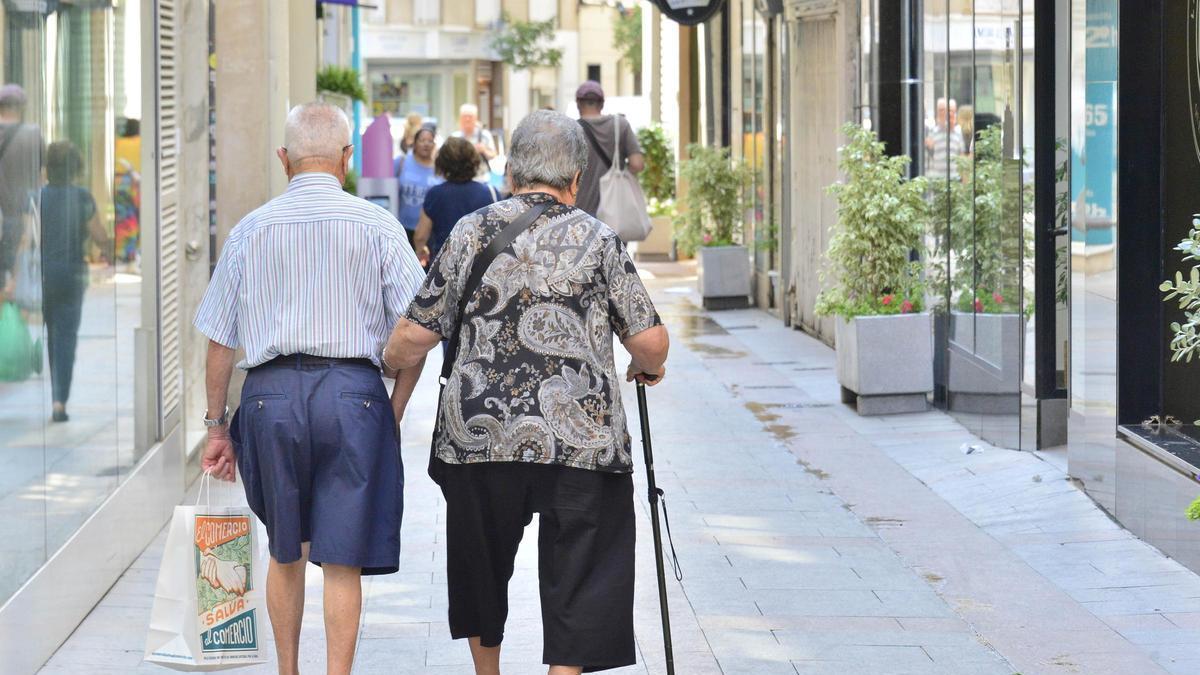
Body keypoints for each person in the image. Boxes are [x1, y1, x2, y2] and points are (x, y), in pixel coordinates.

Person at [383, 109, 670, 675]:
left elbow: (413, 336)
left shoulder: (471, 232)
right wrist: (646, 368)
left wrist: (392, 363)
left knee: (481, 566)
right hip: (581, 439)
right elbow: (651, 342)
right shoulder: (599, 238)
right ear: (575, 178)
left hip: (480, 438)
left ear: (512, 173)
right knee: (584, 568)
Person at [193, 101, 425, 675]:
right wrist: (390, 412)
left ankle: (288, 672)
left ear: (284, 160)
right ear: (347, 158)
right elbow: (418, 330)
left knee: (285, 550)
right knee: (341, 562)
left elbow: (220, 342)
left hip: (270, 398)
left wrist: (216, 425)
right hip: (355, 396)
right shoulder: (376, 226)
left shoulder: (251, 230)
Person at [40, 141, 111, 423]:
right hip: (71, 274)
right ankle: (59, 401)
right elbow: (98, 234)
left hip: (44, 274)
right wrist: (108, 250)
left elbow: (26, 239)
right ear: (75, 168)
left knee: (52, 335)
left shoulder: (39, 196)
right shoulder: (82, 197)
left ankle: (55, 395)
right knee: (66, 337)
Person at [413, 136, 497, 267]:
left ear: (442, 163)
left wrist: (421, 250)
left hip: (446, 267)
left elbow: (420, 235)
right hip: (482, 268)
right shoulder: (490, 193)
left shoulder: (435, 194)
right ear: (473, 161)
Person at [574, 80, 644, 218]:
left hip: (581, 214)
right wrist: (619, 173)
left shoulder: (572, 130)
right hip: (616, 214)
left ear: (578, 104)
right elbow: (637, 164)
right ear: (602, 104)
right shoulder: (620, 125)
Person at [0, 84, 45, 289]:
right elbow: (42, 177)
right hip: (21, 218)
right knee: (18, 283)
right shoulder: (33, 134)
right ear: (22, 108)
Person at [396, 125, 442, 245]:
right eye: (422, 140)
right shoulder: (401, 162)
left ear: (434, 145)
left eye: (430, 141)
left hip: (429, 233)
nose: (426, 144)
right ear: (415, 143)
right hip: (401, 229)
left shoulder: (439, 169)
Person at [451, 103, 496, 181]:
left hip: (482, 178)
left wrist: (484, 150)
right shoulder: (454, 137)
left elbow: (493, 155)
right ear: (460, 119)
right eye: (465, 116)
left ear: (476, 118)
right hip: (460, 178)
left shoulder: (485, 135)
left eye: (470, 116)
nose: (467, 119)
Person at [924, 97, 965, 180]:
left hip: (954, 179)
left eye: (951, 111)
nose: (947, 114)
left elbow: (962, 157)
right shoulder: (932, 133)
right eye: (941, 111)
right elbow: (926, 159)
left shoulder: (959, 132)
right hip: (937, 180)